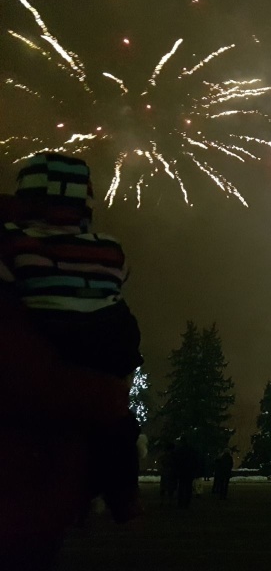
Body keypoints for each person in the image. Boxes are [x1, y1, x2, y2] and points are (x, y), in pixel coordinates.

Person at [0, 152, 144, 524]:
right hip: (95, 340)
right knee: (118, 426)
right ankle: (123, 497)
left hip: (44, 332)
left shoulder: (13, 241)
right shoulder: (108, 249)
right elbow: (119, 279)